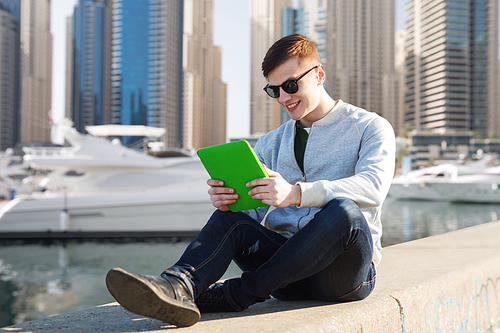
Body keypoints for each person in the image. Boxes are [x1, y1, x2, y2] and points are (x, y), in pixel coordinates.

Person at [105, 34, 395, 327]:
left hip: (343, 277)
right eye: (275, 90)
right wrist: (231, 201)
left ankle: (234, 294)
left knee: (344, 211)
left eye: (291, 85)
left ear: (318, 74)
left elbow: (373, 187)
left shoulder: (370, 127)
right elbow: (253, 213)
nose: (284, 98)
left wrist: (295, 194)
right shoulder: (269, 143)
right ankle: (178, 286)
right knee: (228, 220)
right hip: (285, 278)